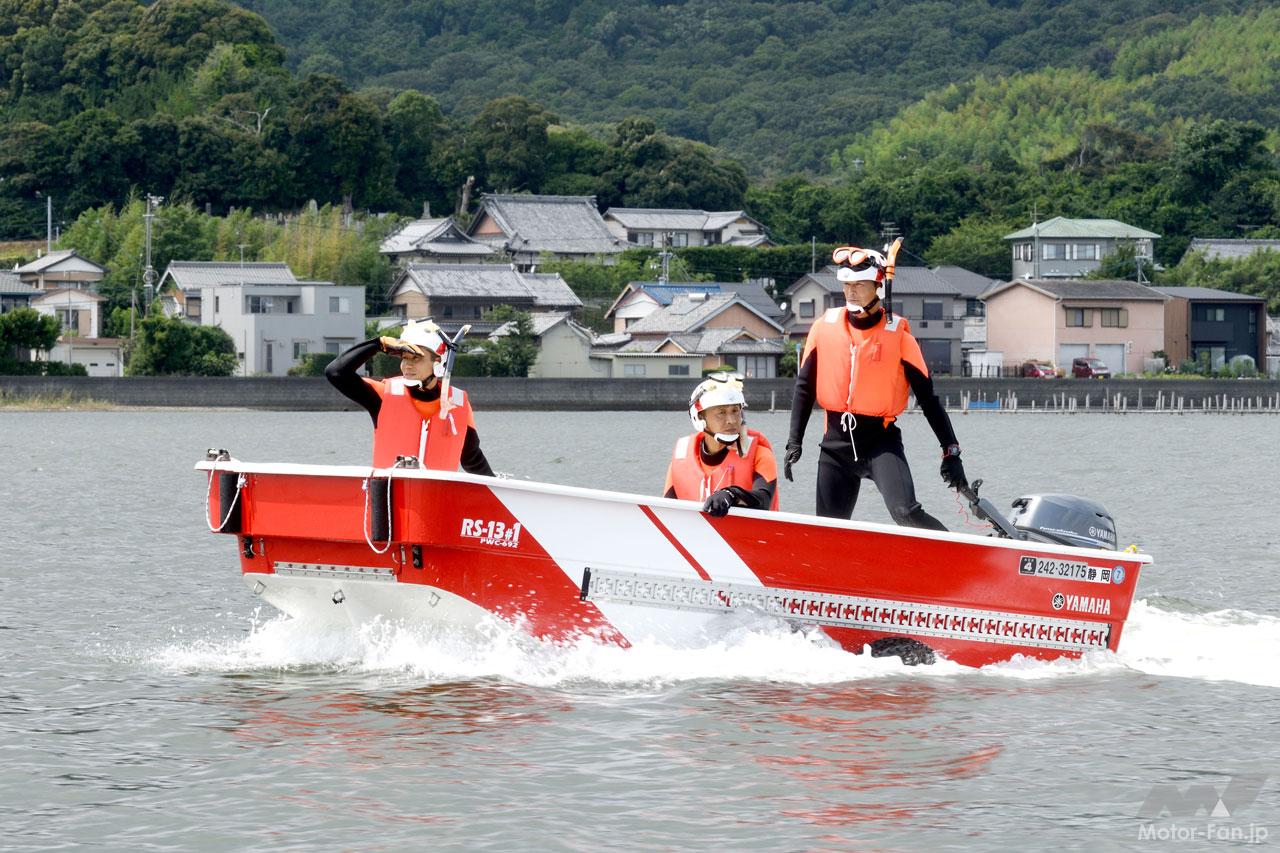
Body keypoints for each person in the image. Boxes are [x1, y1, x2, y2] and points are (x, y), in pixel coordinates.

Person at [784, 245, 966, 529]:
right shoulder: (824, 328)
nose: (851, 292)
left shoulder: (900, 338)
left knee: (906, 512)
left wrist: (951, 452)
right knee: (829, 530)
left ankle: (957, 558)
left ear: (879, 287)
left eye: (859, 285)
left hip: (880, 443)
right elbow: (804, 387)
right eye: (847, 285)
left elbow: (929, 401)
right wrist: (795, 441)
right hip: (835, 446)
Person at [325, 318, 493, 475]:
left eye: (416, 358)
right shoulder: (384, 395)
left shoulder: (458, 403)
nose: (407, 365)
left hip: (437, 500)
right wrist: (378, 344)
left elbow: (473, 460)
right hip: (388, 499)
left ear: (438, 362)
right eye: (404, 358)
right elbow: (336, 373)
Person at [663, 373, 779, 516]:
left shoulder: (759, 453)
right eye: (721, 413)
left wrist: (731, 494)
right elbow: (666, 510)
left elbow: (763, 500)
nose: (731, 420)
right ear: (700, 417)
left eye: (735, 411)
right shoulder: (681, 455)